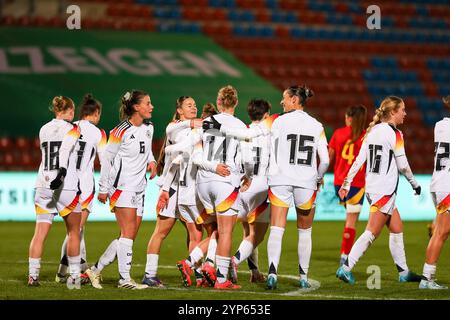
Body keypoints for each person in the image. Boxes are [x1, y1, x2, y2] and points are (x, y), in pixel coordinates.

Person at [336, 96, 422, 285]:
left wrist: (346, 183)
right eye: (402, 110)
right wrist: (415, 184)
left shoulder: (372, 131)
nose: (405, 114)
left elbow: (359, 160)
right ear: (393, 112)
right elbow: (403, 165)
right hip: (384, 190)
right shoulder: (395, 134)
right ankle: (346, 267)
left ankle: (404, 272)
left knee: (397, 228)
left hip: (373, 188)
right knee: (372, 232)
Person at [85, 90, 157, 290]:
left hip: (140, 188)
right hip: (123, 187)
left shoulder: (149, 127)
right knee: (126, 233)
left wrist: (151, 161)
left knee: (128, 235)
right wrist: (103, 188)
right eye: (148, 103)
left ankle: (95, 270)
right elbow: (107, 160)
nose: (152, 107)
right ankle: (124, 280)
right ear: (136, 107)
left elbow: (148, 148)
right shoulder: (119, 131)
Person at [265, 85, 329, 290]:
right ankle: (303, 276)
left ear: (294, 99)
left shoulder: (277, 121)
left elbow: (265, 146)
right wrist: (318, 177)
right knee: (305, 231)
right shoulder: (317, 125)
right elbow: (325, 160)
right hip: (306, 182)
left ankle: (272, 274)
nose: (281, 102)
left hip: (280, 179)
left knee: (276, 228)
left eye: (284, 98)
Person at [194, 85, 253, 289]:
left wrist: (212, 166)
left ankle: (201, 269)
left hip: (203, 182)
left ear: (218, 102)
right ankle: (221, 279)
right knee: (225, 232)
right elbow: (247, 159)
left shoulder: (206, 122)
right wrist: (249, 177)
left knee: (213, 230)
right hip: (225, 181)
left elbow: (195, 154)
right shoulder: (240, 126)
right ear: (236, 103)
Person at [141, 96, 203, 288]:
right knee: (161, 232)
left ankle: (198, 275)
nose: (194, 107)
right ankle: (149, 274)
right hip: (173, 188)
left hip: (186, 188)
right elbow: (177, 159)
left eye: (195, 105)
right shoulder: (177, 128)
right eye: (189, 105)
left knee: (195, 233)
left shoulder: (192, 129)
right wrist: (166, 189)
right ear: (179, 111)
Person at [28, 96, 83, 289]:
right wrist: (62, 172)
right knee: (74, 231)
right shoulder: (73, 129)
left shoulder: (44, 128)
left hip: (43, 184)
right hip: (64, 185)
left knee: (39, 233)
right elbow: (66, 150)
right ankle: (75, 277)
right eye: (73, 109)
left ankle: (33, 276)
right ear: (68, 110)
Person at [55, 94, 107, 284]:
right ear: (95, 113)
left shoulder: (71, 127)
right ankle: (78, 272)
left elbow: (61, 151)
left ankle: (62, 272)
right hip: (84, 186)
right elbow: (105, 161)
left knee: (74, 231)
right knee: (76, 231)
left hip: (67, 184)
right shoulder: (99, 133)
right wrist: (105, 186)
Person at [228, 99, 272, 284]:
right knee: (257, 235)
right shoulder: (270, 133)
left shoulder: (243, 132)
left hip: (242, 186)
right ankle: (235, 261)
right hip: (260, 184)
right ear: (266, 115)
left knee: (247, 232)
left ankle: (255, 272)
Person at [328, 105, 367, 266]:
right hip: (356, 183)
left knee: (348, 218)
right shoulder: (366, 136)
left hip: (339, 183)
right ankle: (345, 255)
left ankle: (346, 253)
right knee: (351, 222)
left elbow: (328, 157)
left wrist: (319, 175)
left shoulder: (338, 133)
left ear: (349, 118)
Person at [419, 95, 450, 290]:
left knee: (440, 231)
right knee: (442, 232)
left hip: (438, 182)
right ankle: (427, 279)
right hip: (447, 185)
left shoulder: (440, 125)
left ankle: (427, 278)